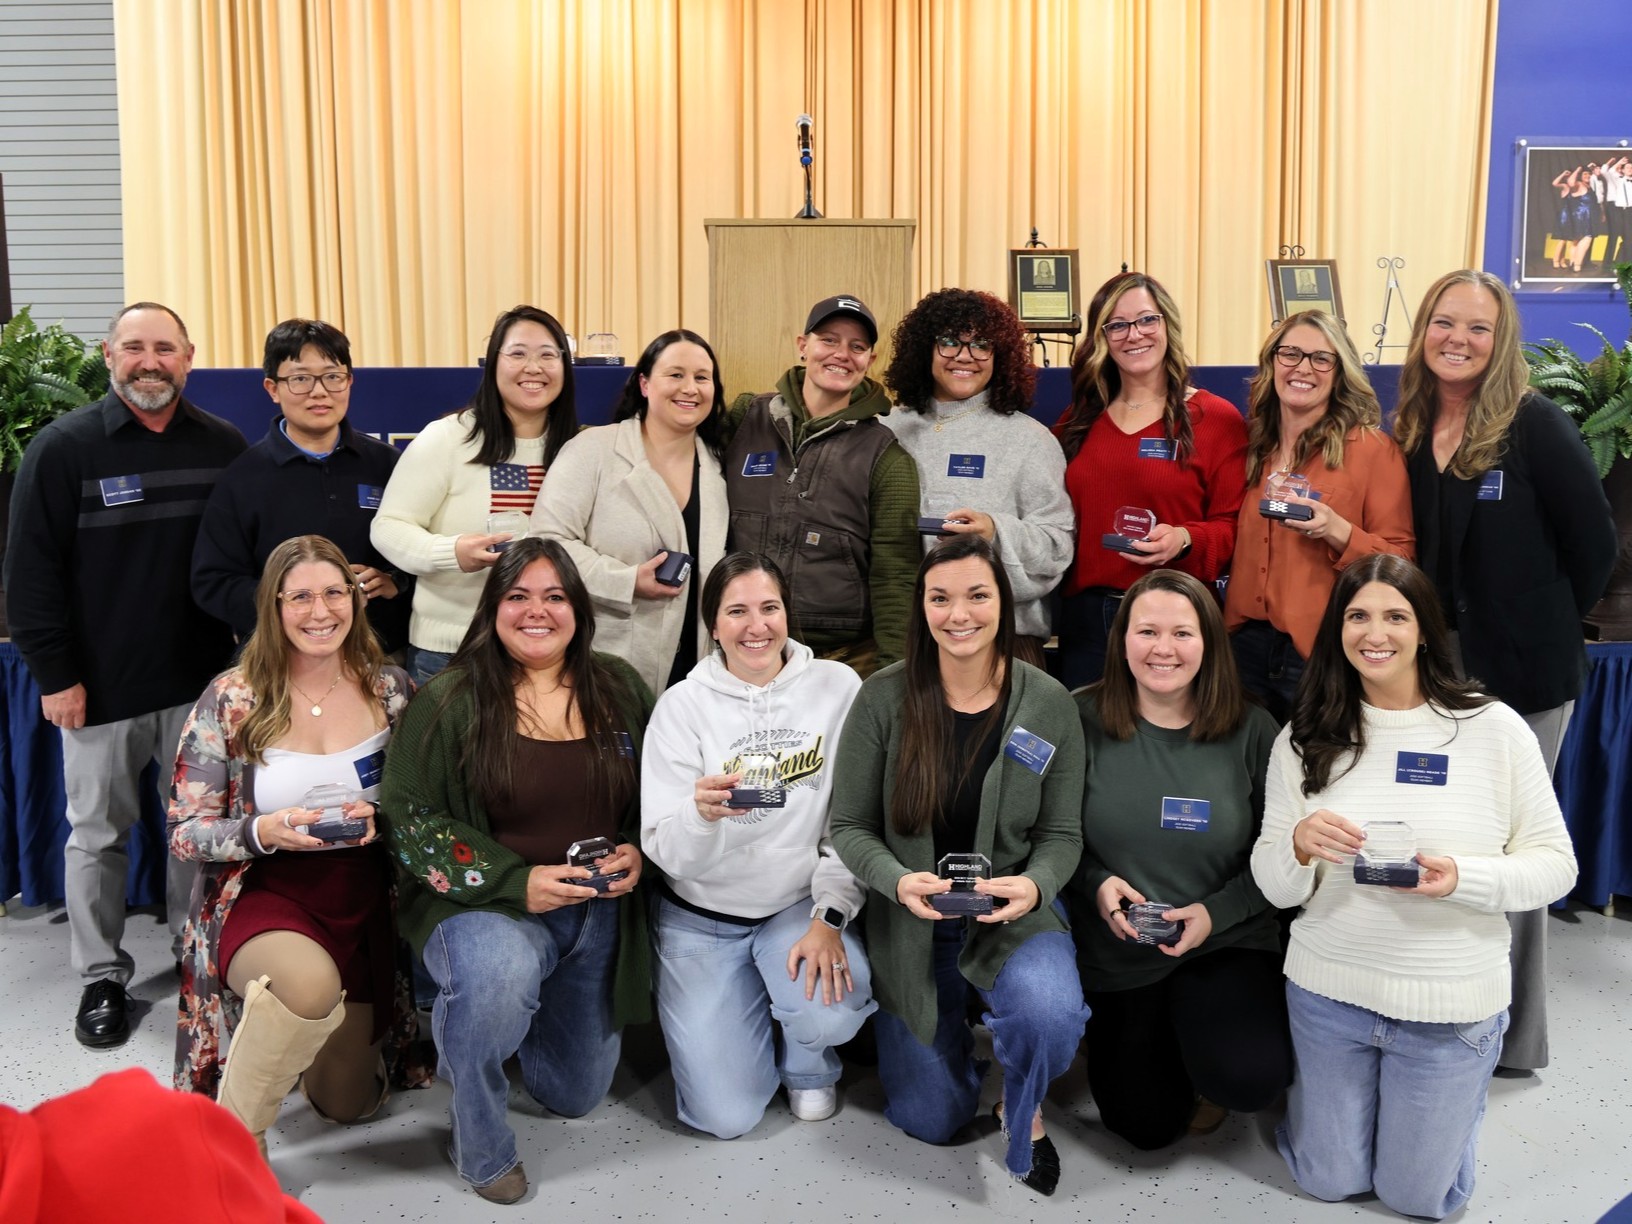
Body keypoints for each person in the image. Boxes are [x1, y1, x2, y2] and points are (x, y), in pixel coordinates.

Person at [1250, 554, 1576, 1220]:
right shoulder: (1304, 740)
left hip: (1449, 1009)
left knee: (1420, 1197)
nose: (1377, 633)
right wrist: (1296, 846)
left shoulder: (1493, 729)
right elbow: (1276, 889)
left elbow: (1556, 865)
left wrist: (1465, 877)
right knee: (1329, 1181)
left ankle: (1449, 1108)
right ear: (1337, 629)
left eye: (1396, 615)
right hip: (1330, 994)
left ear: (1425, 628)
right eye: (1358, 615)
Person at [380, 537, 652, 1205]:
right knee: (497, 976)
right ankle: (478, 1137)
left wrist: (636, 847)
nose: (538, 611)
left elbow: (657, 795)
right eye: (518, 596)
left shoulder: (619, 686)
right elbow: (410, 820)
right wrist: (514, 881)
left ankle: (494, 1023)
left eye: (555, 596)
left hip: (594, 910)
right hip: (488, 909)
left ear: (579, 609)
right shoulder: (448, 699)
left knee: (575, 1094)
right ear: (492, 608)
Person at [3, 301, 246, 1047]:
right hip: (98, 693)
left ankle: (191, 956)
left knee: (194, 834)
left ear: (188, 357)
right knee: (97, 837)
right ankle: (100, 975)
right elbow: (30, 574)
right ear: (109, 355)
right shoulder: (63, 448)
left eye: (164, 349)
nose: (150, 361)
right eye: (134, 347)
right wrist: (56, 675)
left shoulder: (224, 445)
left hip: (200, 689)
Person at [1391, 269, 1614, 1070]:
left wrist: (1537, 618)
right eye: (1443, 323)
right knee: (1451, 844)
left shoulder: (1535, 425)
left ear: (1501, 340)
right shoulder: (1411, 432)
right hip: (1438, 674)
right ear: (1422, 334)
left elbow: (1596, 549)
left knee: (1514, 860)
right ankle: (1453, 1016)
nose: (1458, 339)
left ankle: (1516, 1043)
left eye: (1477, 327)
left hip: (1525, 680)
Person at [829, 534, 1088, 1196]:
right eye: (939, 598)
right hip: (914, 919)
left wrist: (1035, 886)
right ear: (921, 608)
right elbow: (850, 825)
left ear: (1003, 601)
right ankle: (956, 1042)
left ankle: (1019, 1103)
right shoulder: (882, 699)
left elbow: (1062, 834)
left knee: (1051, 1015)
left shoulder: (1048, 702)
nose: (958, 614)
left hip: (1012, 915)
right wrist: (894, 879)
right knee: (930, 1117)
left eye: (977, 595)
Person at [169, 535, 417, 1156]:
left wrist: (382, 815)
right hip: (266, 891)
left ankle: (297, 1041)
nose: (320, 611)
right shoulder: (231, 698)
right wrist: (261, 831)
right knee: (307, 984)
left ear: (356, 600)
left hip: (361, 902)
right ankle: (232, 1145)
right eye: (299, 596)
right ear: (272, 607)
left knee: (347, 1106)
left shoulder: (391, 690)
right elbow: (184, 830)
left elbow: (425, 805)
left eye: (335, 592)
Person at [640, 552, 877, 1137]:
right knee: (727, 1117)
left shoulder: (838, 688)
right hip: (701, 916)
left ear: (788, 614)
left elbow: (849, 826)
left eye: (770, 608)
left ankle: (807, 1062)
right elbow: (666, 850)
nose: (757, 626)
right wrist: (700, 816)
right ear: (713, 625)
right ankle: (745, 994)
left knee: (827, 1015)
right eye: (737, 611)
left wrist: (829, 918)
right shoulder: (680, 707)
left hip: (796, 907)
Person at [1067, 568, 1290, 1151]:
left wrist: (1215, 914)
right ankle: (1125, 1033)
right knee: (1143, 1126)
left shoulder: (1254, 729)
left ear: (1210, 644)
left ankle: (1202, 1054)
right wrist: (1094, 882)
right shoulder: (1078, 718)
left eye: (1182, 634)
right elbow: (1048, 834)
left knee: (1249, 1078)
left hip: (1225, 939)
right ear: (1120, 641)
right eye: (1146, 631)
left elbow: (1284, 857)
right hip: (1118, 949)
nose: (1162, 649)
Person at [1052, 272, 1248, 689]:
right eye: (1117, 325)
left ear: (1167, 325)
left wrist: (1185, 538)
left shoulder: (1216, 420)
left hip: (1177, 619)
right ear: (1101, 337)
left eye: (1146, 320)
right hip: (1088, 625)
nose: (1133, 335)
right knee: (1088, 748)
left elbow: (1236, 526)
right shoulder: (1077, 422)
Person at [1224, 310, 1414, 722]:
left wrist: (1338, 531)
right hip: (1243, 648)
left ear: (1339, 371)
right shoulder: (1252, 447)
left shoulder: (1371, 450)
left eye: (1320, 358)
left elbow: (1403, 561)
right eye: (1289, 353)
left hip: (1317, 654)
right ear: (1272, 361)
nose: (1302, 368)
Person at [372, 305, 578, 685]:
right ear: (493, 364)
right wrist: (452, 553)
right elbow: (388, 527)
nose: (533, 367)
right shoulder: (449, 438)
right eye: (518, 354)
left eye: (548, 355)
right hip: (452, 652)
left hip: (549, 650)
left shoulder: (580, 448)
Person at [723, 294, 919, 678]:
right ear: (803, 346)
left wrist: (895, 678)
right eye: (829, 340)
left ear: (870, 361)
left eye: (857, 346)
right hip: (742, 647)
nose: (842, 354)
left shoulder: (888, 458)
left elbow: (896, 578)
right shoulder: (745, 418)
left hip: (842, 660)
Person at [881, 288, 1074, 668]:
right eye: (950, 342)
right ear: (925, 349)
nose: (965, 356)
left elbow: (1057, 547)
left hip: (1005, 645)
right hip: (908, 643)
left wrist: (994, 532)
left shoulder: (1030, 439)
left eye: (981, 345)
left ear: (999, 355)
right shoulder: (888, 428)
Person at [192, 318, 410, 653]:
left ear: (349, 382)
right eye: (300, 379)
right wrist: (296, 605)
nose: (319, 391)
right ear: (272, 389)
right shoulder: (243, 477)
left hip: (376, 656)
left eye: (333, 377)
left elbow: (423, 552)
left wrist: (398, 581)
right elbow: (213, 582)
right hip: (277, 660)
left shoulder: (389, 465)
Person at [531, 329, 727, 694]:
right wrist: (626, 580)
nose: (690, 388)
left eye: (703, 377)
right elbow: (546, 544)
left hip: (697, 674)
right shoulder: (593, 450)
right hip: (605, 665)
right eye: (675, 374)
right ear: (644, 384)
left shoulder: (719, 467)